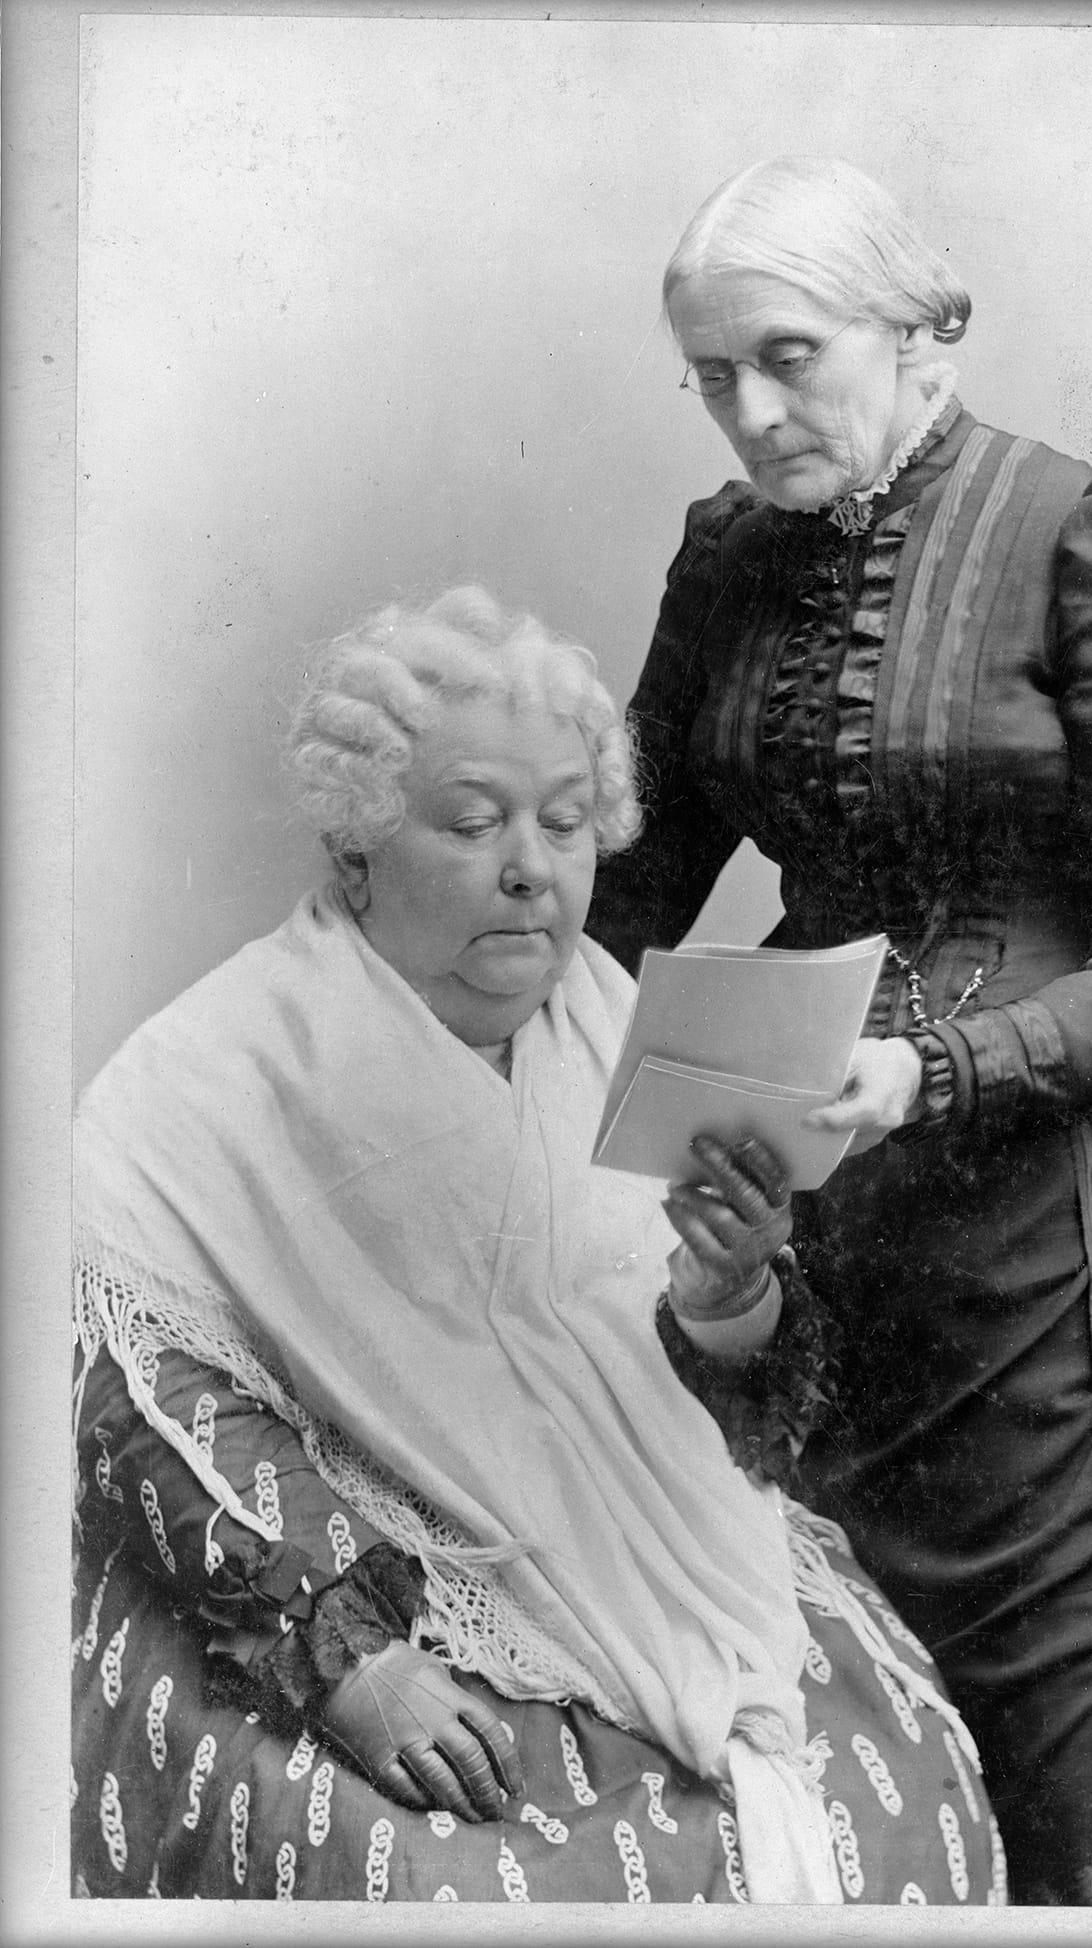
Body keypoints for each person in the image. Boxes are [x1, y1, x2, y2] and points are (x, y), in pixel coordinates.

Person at [588, 155, 1092, 1906]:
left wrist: (930, 1069)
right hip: (843, 1253)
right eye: (710, 374)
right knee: (881, 1811)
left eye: (790, 355)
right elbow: (626, 894)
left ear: (929, 336)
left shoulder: (1081, 529)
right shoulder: (728, 561)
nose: (750, 414)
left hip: (1089, 1269)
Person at [70, 583, 1004, 1905]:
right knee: (445, 1874)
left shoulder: (616, 1025)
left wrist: (730, 1290)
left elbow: (727, 1399)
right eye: (471, 823)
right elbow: (144, 1403)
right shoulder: (209, 1074)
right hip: (352, 1571)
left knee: (903, 1795)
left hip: (661, 1543)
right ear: (354, 853)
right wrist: (356, 1660)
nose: (532, 867)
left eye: (567, 825)